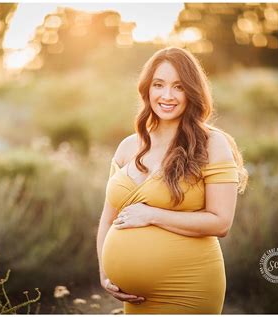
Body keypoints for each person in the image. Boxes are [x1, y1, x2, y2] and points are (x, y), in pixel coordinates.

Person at [96, 46, 248, 314]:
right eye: (159, 85)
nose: (167, 95)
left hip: (189, 287)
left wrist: (152, 215)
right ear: (147, 89)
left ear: (192, 92)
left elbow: (221, 222)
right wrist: (104, 272)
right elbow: (108, 218)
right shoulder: (128, 146)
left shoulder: (212, 144)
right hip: (134, 299)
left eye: (178, 87)